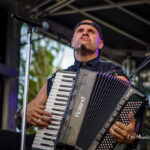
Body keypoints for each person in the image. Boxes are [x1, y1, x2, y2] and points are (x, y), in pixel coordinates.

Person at [0, 19, 144, 150]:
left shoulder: (114, 74)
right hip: (52, 145)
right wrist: (23, 113)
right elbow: (21, 123)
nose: (85, 33)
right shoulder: (57, 79)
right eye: (80, 31)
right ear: (72, 41)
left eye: (91, 31)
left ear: (100, 44)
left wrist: (131, 137)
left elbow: (134, 134)